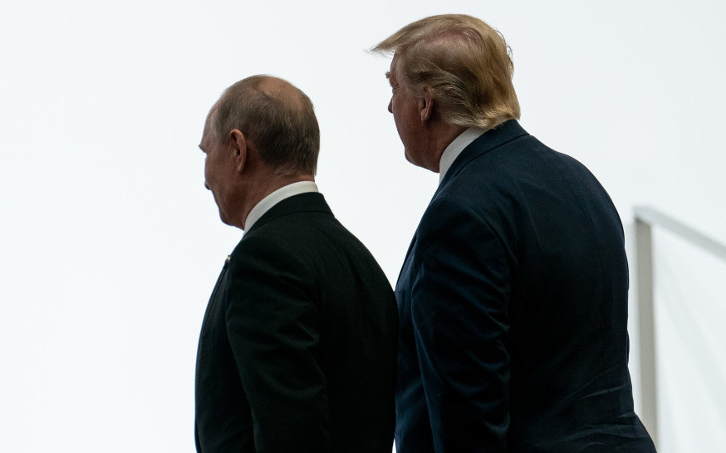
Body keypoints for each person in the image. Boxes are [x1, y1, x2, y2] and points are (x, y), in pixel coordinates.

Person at [372, 14, 655, 452]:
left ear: (426, 103)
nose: (390, 107)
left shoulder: (460, 213)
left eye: (394, 88)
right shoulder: (579, 180)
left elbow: (468, 417)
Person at [194, 75, 397, 453]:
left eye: (206, 152)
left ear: (238, 149)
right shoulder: (359, 260)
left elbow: (289, 430)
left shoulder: (264, 260)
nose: (205, 179)